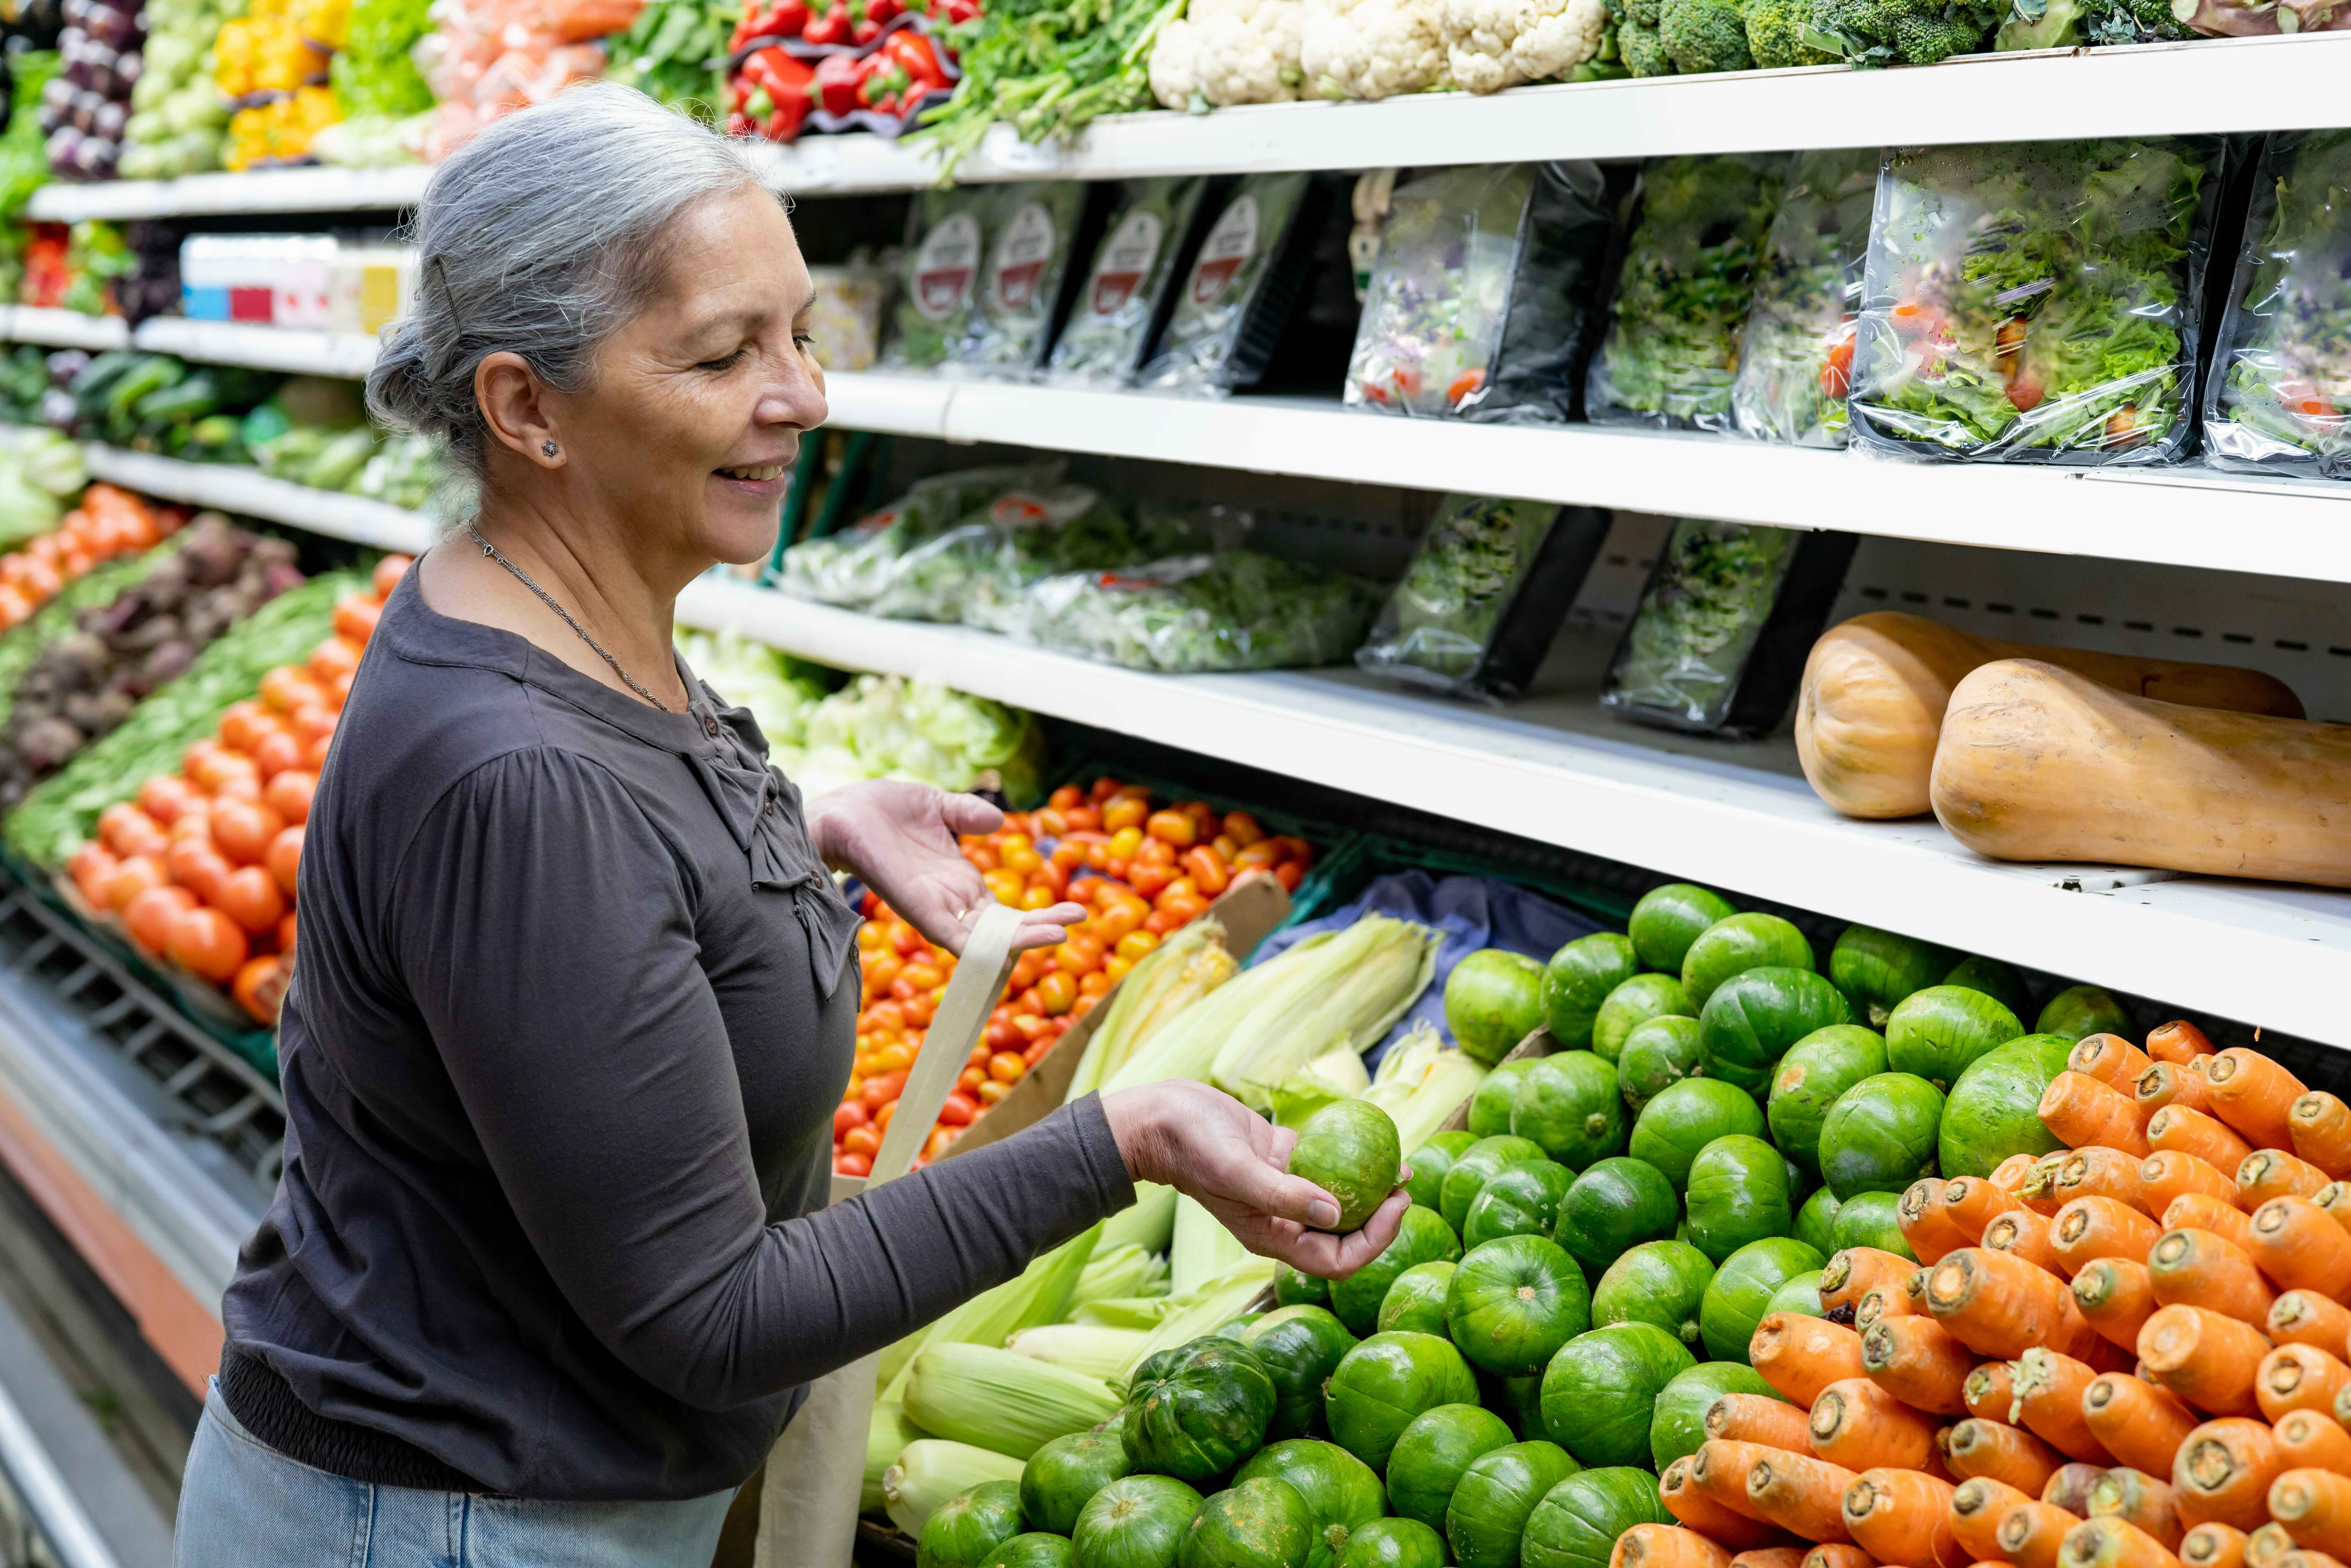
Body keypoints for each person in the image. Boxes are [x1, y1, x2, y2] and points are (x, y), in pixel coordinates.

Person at [172, 83, 1407, 1564]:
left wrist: (804, 826)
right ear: (524, 408)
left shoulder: (562, 598)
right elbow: (713, 1314)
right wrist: (1116, 1139)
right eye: (722, 355)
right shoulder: (517, 775)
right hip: (449, 1522)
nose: (805, 395)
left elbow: (597, 852)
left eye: (800, 333)